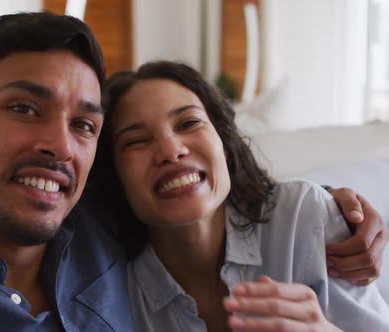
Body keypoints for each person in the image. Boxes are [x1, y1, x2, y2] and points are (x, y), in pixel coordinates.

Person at [0, 12, 385, 331]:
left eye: (84, 125)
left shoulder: (93, 224)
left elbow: (194, 194)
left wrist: (337, 207)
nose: (59, 144)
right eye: (24, 108)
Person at [93, 60, 389, 331]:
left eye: (188, 123)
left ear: (224, 141)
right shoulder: (109, 294)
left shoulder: (305, 216)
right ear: (114, 176)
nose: (171, 151)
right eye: (137, 141)